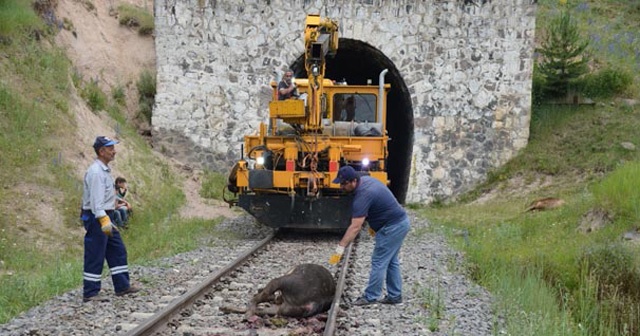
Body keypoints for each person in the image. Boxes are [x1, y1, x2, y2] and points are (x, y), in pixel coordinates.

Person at [328, 166, 410, 306]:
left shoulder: (363, 195)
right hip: (400, 223)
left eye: (343, 184)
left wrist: (341, 247)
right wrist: (374, 225)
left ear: (353, 181)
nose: (341, 187)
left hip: (392, 227)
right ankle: (395, 295)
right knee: (391, 261)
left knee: (379, 261)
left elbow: (355, 227)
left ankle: (371, 296)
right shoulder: (365, 180)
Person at [80, 136, 139, 302]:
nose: (114, 151)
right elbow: (96, 202)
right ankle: (90, 292)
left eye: (113, 147)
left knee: (117, 250)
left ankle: (122, 286)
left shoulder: (104, 170)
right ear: (101, 151)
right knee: (95, 253)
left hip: (107, 215)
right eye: (110, 148)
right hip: (98, 216)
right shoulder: (96, 173)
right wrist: (104, 220)